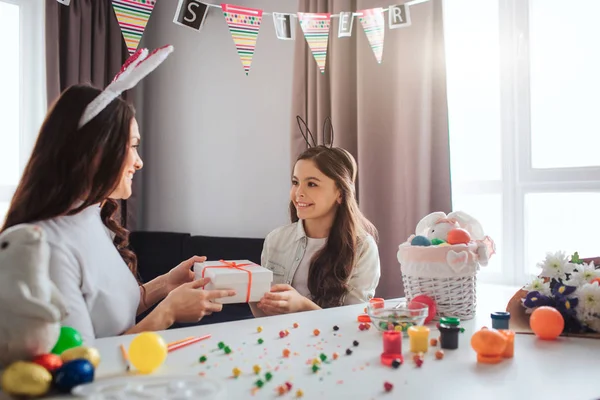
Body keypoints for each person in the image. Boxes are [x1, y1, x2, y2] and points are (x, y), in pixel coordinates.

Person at [1, 47, 235, 344]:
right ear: (95, 153)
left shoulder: (90, 220)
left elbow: (109, 310)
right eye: (132, 146)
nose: (139, 162)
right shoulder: (48, 247)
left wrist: (165, 284)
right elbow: (76, 361)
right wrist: (167, 314)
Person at [252, 145, 380, 316]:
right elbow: (263, 317)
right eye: (295, 182)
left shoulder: (363, 248)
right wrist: (248, 293)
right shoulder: (275, 239)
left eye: (312, 184)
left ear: (340, 194)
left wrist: (303, 306)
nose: (298, 193)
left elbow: (353, 322)